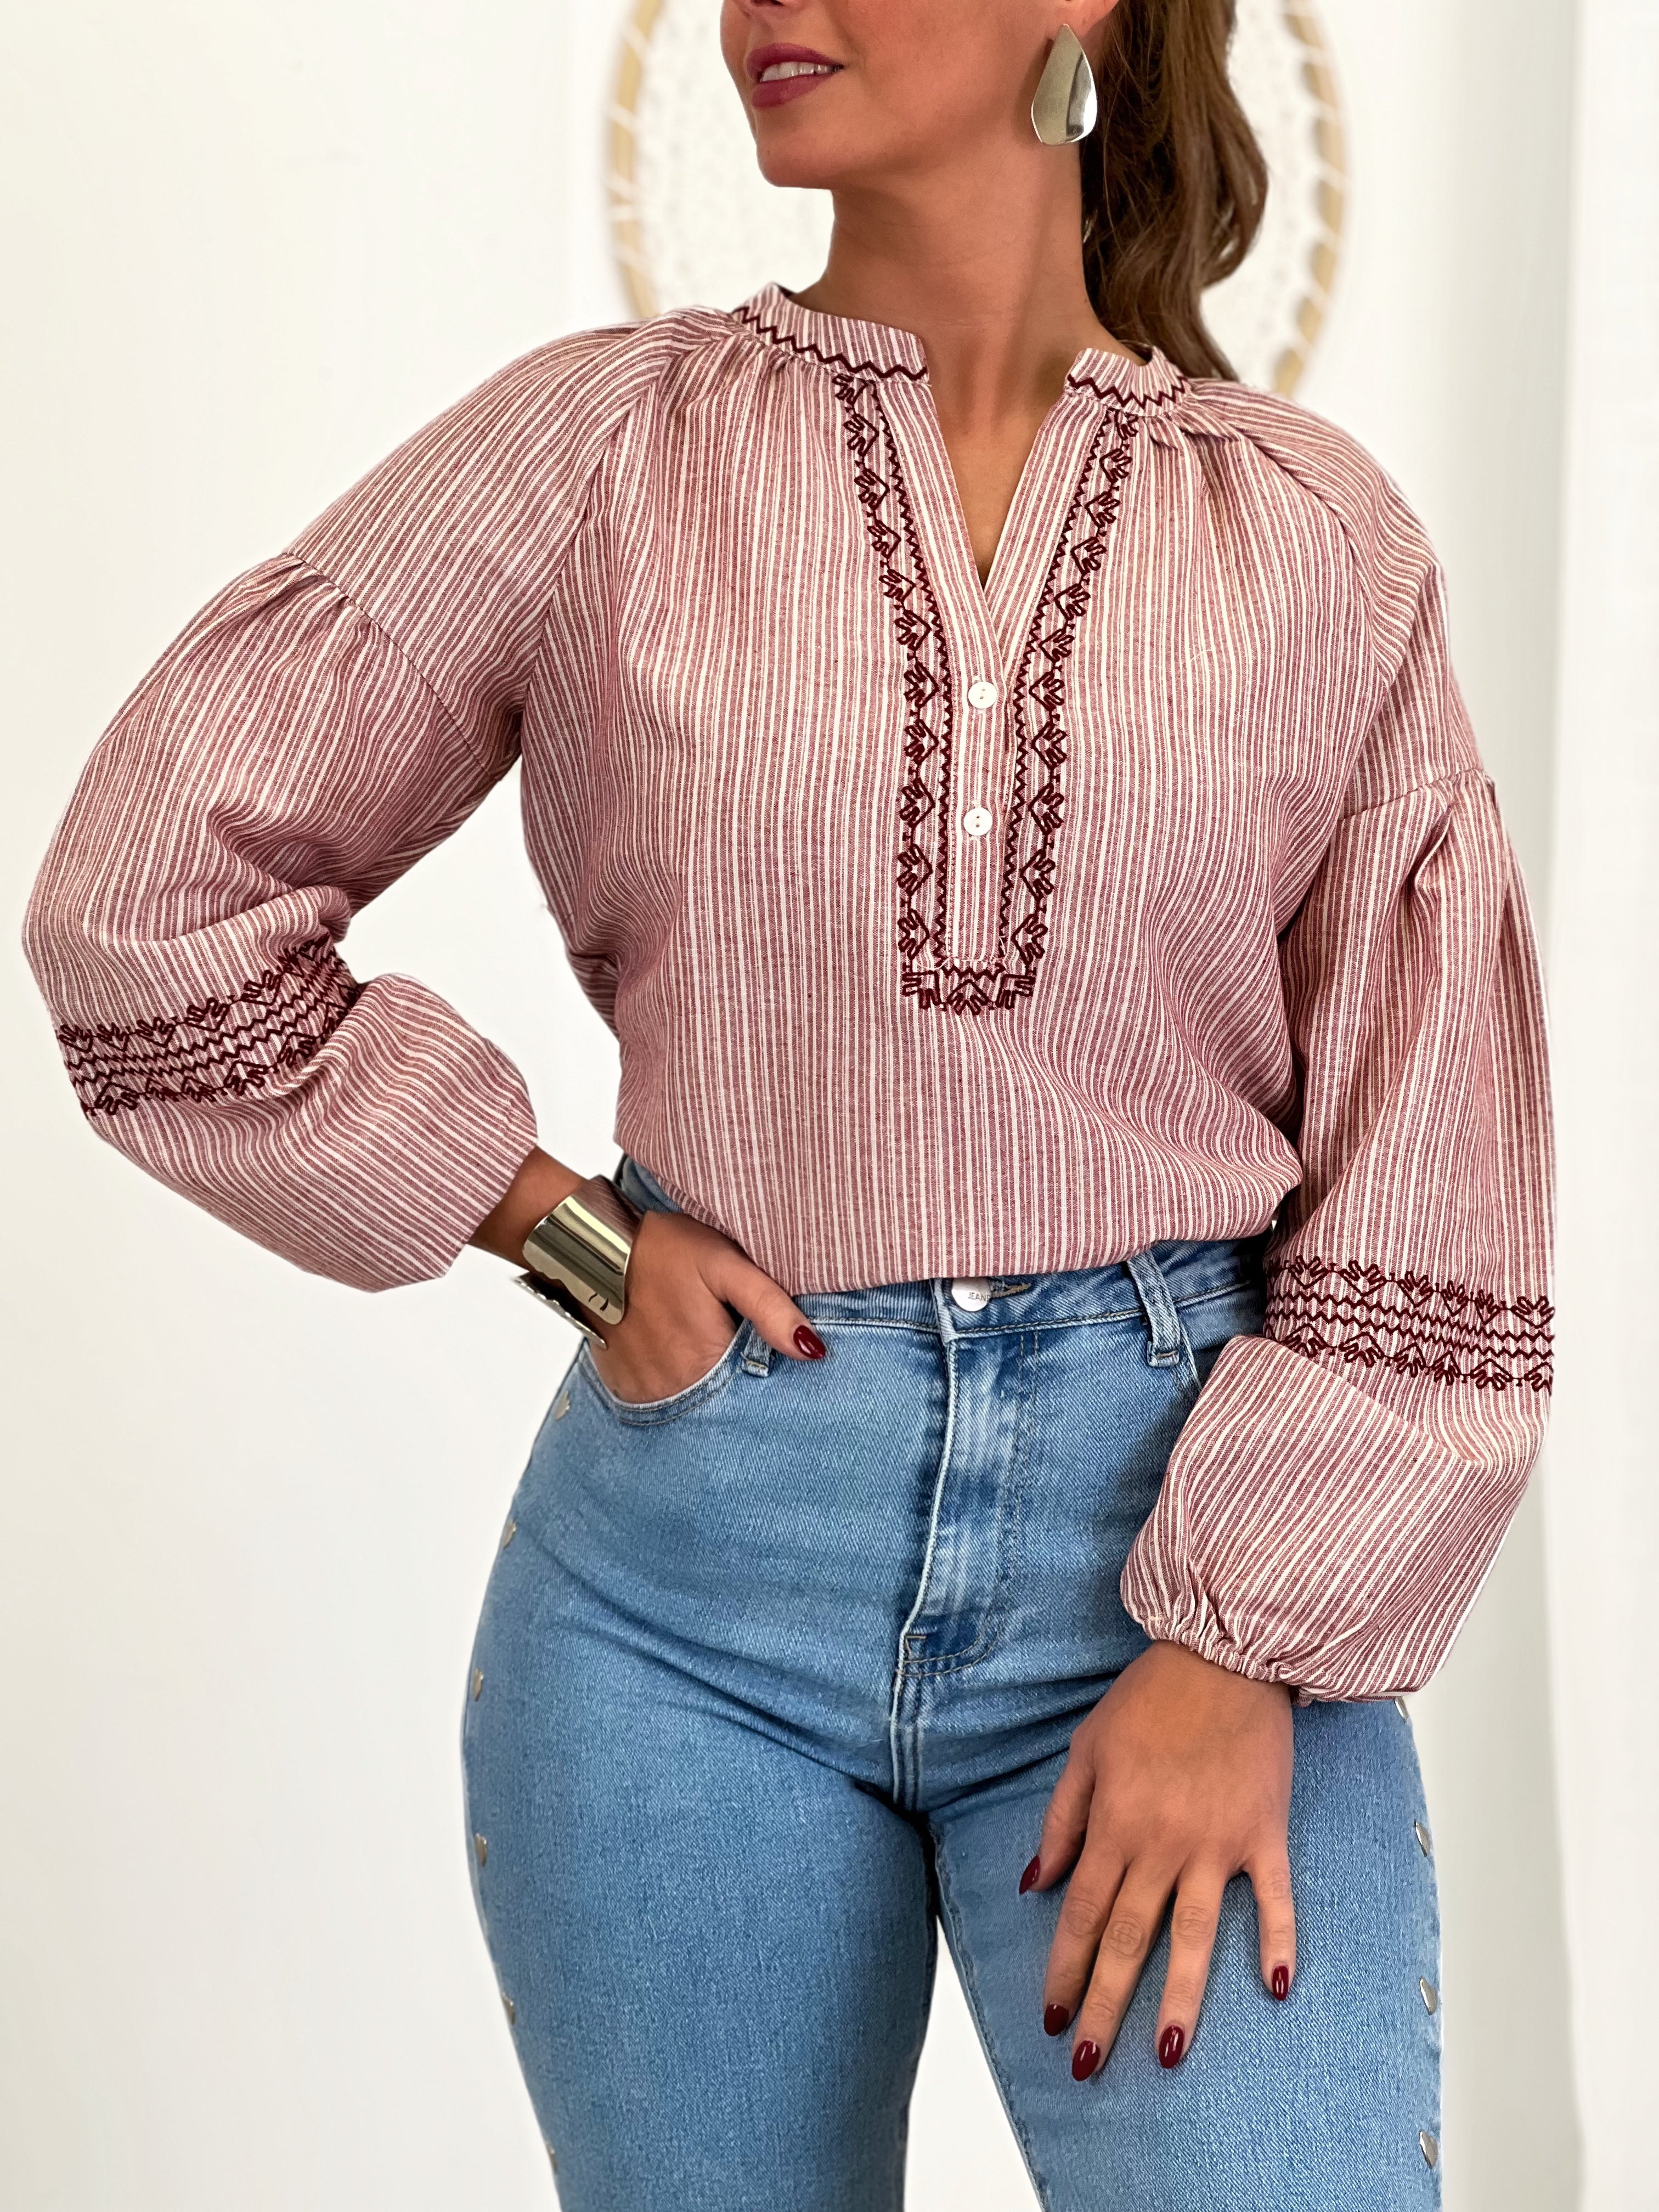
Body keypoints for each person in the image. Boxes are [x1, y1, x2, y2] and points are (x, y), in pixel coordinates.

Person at [22, 0, 1554, 2204]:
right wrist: (558, 1226)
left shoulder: (1310, 535)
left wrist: (1239, 1650)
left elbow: (1440, 1143)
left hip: (1184, 1561)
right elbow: (145, 895)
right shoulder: (601, 455)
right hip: (681, 1611)